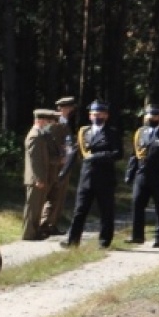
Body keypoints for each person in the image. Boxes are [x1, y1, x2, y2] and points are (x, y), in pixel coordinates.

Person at [61, 101, 122, 249]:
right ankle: (72, 241)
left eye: (100, 114)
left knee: (106, 212)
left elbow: (118, 153)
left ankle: (104, 241)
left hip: (105, 178)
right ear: (90, 116)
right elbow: (75, 152)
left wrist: (99, 156)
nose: (97, 117)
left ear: (106, 116)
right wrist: (63, 172)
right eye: (94, 114)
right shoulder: (84, 132)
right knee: (80, 211)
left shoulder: (112, 133)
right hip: (87, 177)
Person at [125, 104, 159, 247]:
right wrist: (130, 172)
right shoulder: (141, 132)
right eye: (148, 116)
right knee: (137, 203)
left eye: (153, 116)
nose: (150, 118)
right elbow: (134, 155)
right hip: (141, 174)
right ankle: (137, 235)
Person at [42, 96, 79, 239]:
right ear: (62, 108)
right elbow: (49, 144)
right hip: (56, 165)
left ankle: (52, 224)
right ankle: (44, 224)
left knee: (60, 196)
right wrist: (59, 157)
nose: (70, 110)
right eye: (68, 107)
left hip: (64, 163)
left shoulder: (65, 123)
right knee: (53, 195)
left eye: (71, 107)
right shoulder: (54, 124)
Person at [21, 108, 61, 242]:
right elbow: (35, 160)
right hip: (35, 178)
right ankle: (29, 234)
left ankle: (34, 231)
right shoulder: (34, 135)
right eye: (48, 121)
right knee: (33, 207)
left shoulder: (41, 135)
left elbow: (45, 157)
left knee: (37, 207)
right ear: (41, 120)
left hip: (41, 177)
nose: (50, 124)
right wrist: (38, 178)